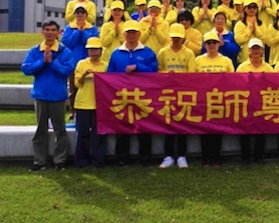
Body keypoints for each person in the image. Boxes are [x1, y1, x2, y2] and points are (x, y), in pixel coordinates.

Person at [22, 20, 76, 171]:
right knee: (41, 130)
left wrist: (52, 63)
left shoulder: (65, 51)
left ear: (59, 33)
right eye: (47, 30)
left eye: (53, 30)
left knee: (60, 130)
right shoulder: (35, 51)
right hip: (40, 95)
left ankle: (60, 161)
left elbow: (67, 70)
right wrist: (43, 62)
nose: (50, 32)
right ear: (42, 32)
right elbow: (26, 69)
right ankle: (40, 161)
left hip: (57, 96)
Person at [107, 20, 158, 166]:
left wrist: (138, 67)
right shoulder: (116, 53)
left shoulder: (148, 52)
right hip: (122, 96)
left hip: (142, 96)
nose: (131, 36)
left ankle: (145, 158)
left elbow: (154, 72)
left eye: (134, 33)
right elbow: (110, 75)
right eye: (128, 33)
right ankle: (122, 158)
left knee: (144, 127)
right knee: (122, 127)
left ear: (139, 34)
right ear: (123, 34)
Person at [157, 23, 196, 169]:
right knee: (167, 123)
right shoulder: (163, 52)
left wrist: (178, 76)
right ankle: (168, 155)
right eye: (173, 38)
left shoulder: (189, 53)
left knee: (182, 123)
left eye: (178, 38)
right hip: (167, 92)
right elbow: (158, 70)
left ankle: (181, 155)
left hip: (183, 92)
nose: (176, 40)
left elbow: (192, 72)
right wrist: (166, 75)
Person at [196, 31, 235, 167]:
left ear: (218, 44)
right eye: (209, 43)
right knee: (204, 130)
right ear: (204, 45)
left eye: (214, 43)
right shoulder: (198, 60)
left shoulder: (226, 61)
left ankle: (216, 157)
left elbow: (233, 80)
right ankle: (206, 157)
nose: (211, 45)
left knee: (217, 129)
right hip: (203, 99)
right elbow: (192, 80)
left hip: (220, 99)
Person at [236, 38, 274, 164]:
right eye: (253, 49)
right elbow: (236, 84)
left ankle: (259, 156)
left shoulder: (268, 68)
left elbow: (274, 84)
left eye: (258, 48)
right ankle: (245, 156)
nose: (256, 51)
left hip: (262, 102)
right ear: (249, 51)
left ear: (262, 51)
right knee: (244, 130)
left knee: (261, 129)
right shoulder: (242, 67)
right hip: (246, 102)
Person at [73, 37, 108, 168]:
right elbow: (77, 83)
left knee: (99, 134)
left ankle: (98, 160)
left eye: (96, 49)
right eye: (91, 50)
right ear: (87, 51)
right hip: (83, 103)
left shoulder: (105, 66)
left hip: (99, 104)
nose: (94, 52)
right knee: (83, 133)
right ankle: (82, 160)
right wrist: (84, 75)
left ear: (101, 50)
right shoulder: (81, 64)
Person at [61, 3, 99, 114]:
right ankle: (74, 112)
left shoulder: (92, 28)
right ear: (74, 14)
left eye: (82, 12)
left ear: (86, 14)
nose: (80, 15)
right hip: (74, 62)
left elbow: (92, 42)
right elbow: (67, 43)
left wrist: (83, 32)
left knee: (90, 88)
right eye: (78, 12)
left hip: (89, 62)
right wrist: (77, 32)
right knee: (73, 88)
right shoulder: (69, 28)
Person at [234, 0, 268, 64]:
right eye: (249, 7)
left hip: (260, 60)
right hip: (244, 59)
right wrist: (249, 31)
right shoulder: (240, 24)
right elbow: (238, 40)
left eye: (254, 7)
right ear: (245, 9)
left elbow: (265, 40)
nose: (252, 9)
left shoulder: (261, 23)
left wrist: (256, 30)